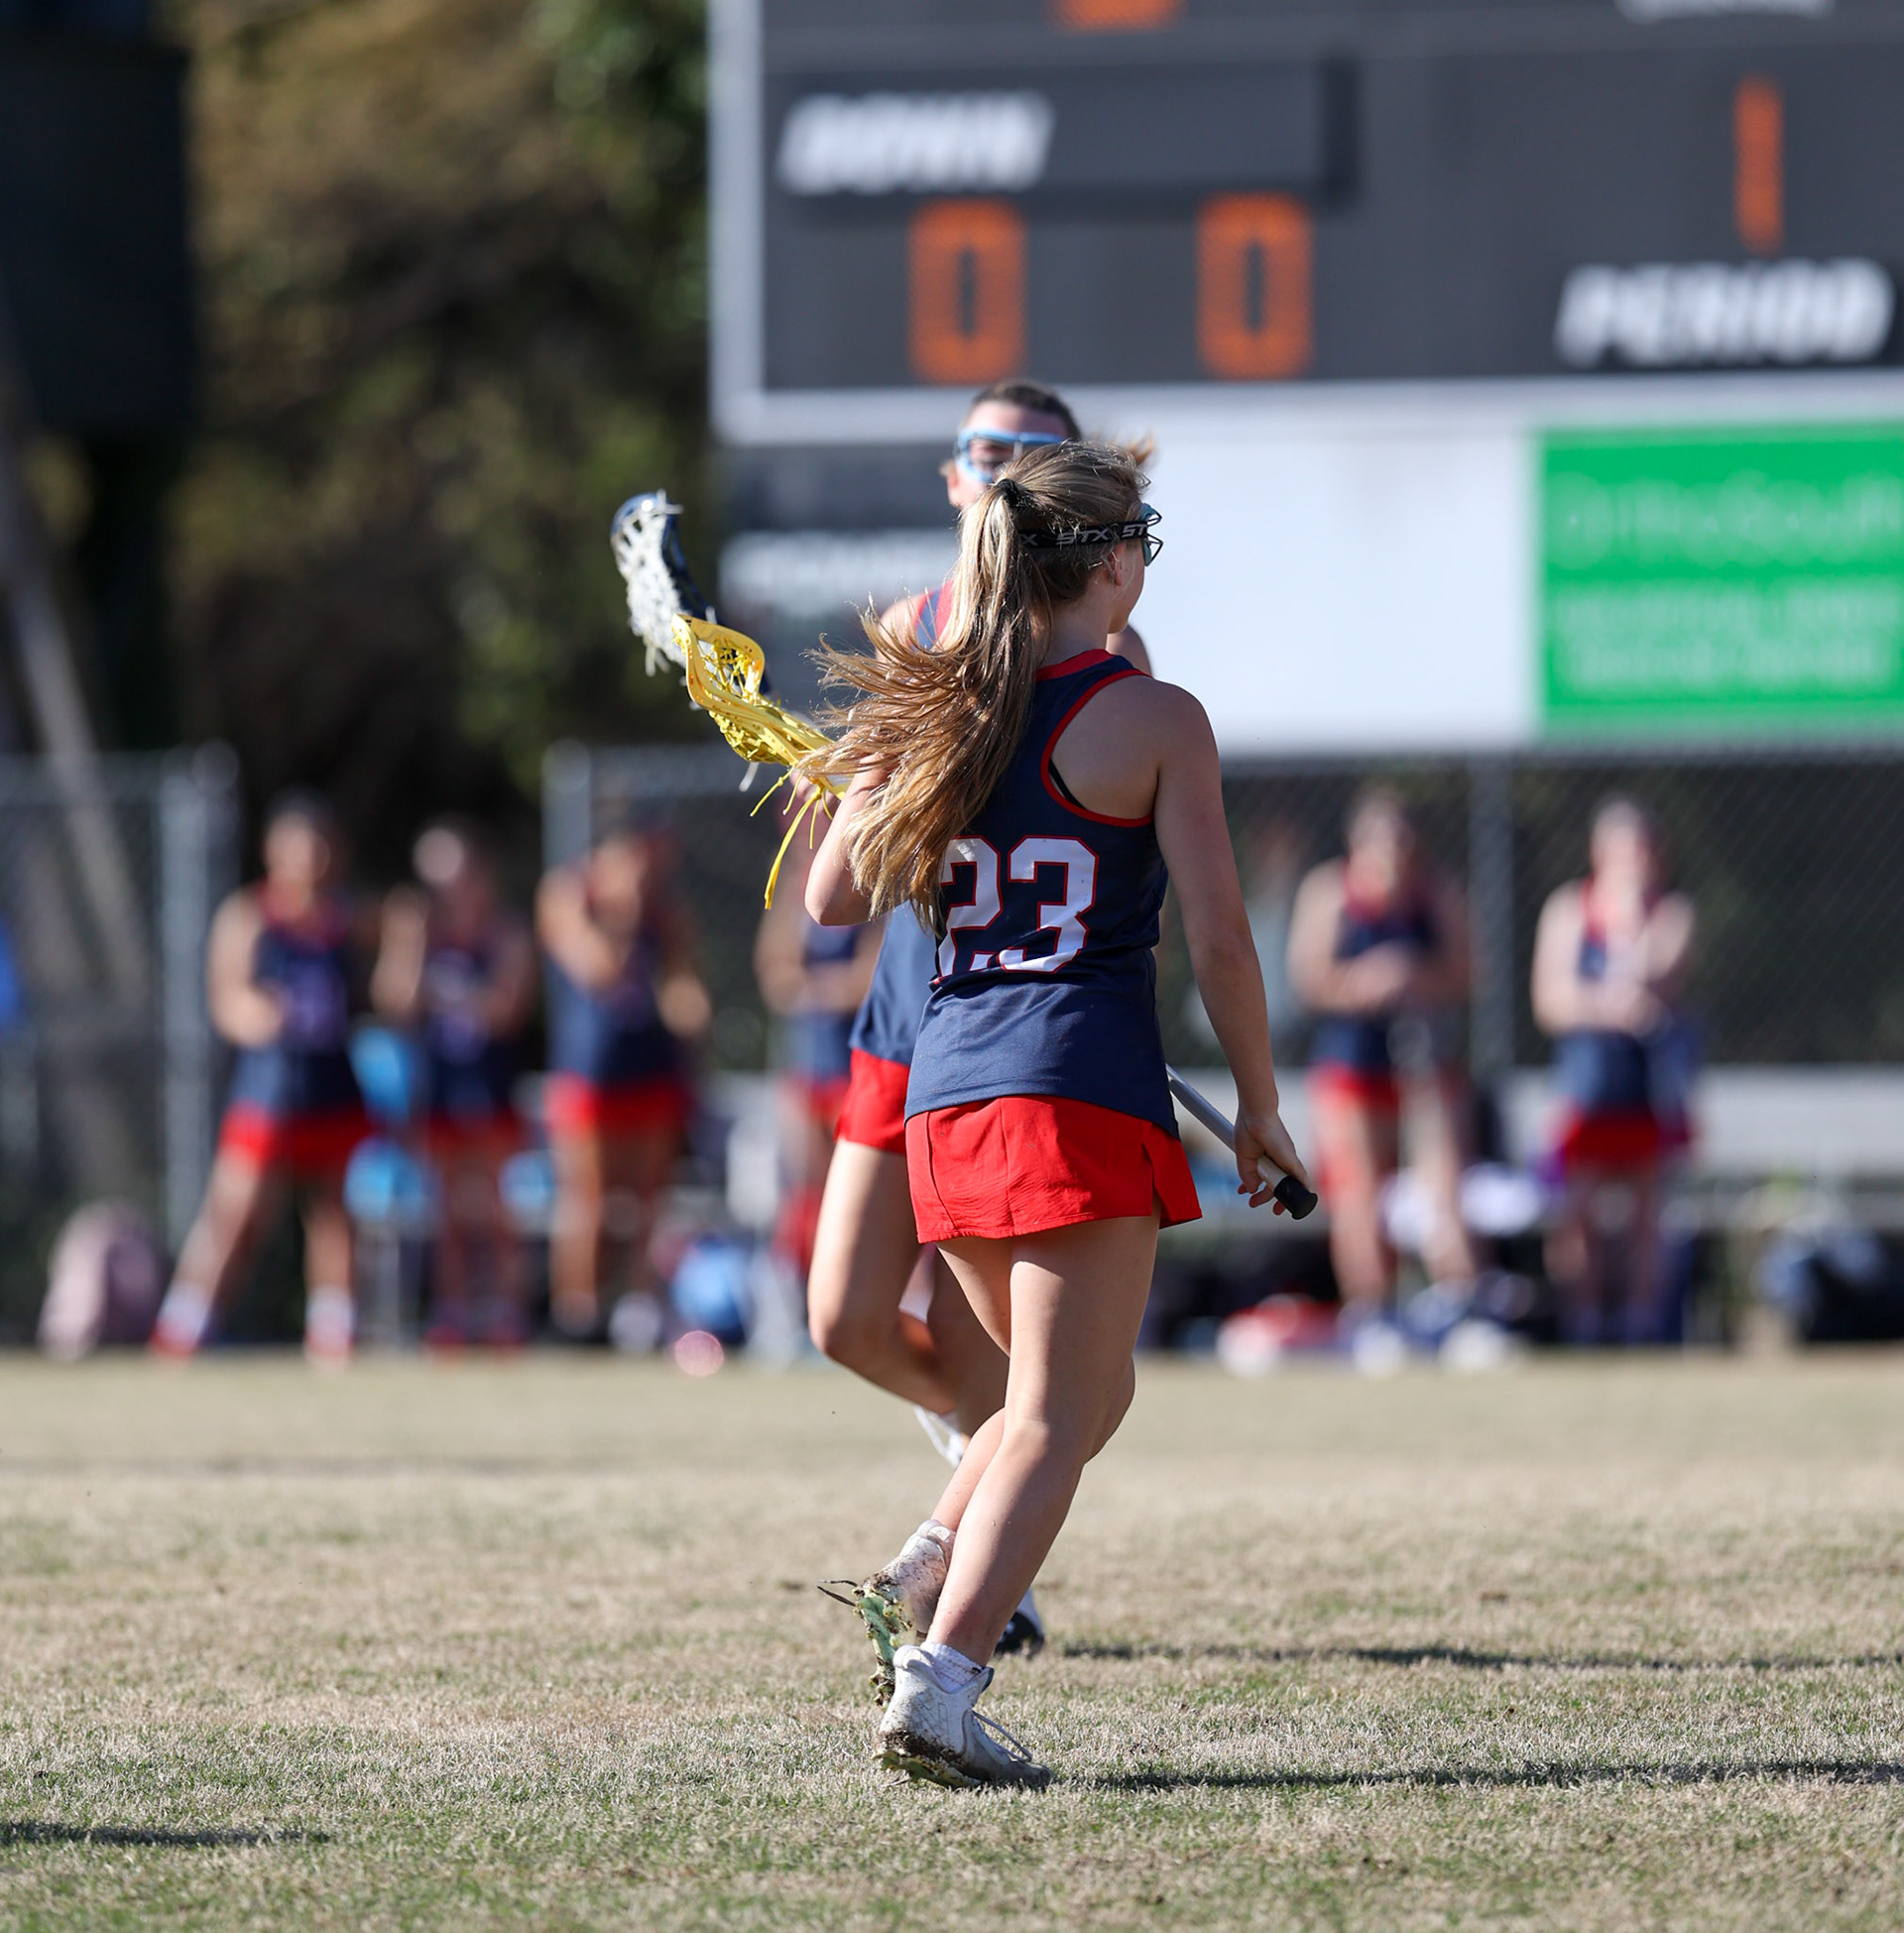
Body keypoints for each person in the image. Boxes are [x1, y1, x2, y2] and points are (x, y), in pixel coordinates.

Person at [804, 440, 1308, 1786]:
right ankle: (944, 1679)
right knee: (1048, 1409)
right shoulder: (1155, 718)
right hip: (1075, 1083)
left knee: (1082, 1396)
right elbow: (1220, 943)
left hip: (949, 1103)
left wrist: (869, 771)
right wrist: (1258, 1105)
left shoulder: (938, 717)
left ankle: (925, 1571)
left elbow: (829, 906)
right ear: (1116, 562)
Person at [806, 378, 1153, 1661]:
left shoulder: (1116, 659)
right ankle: (981, 1480)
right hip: (916, 1003)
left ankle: (964, 1558)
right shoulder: (913, 625)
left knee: (1026, 1360)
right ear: (955, 476)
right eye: (982, 448)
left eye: (1029, 452)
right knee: (841, 1314)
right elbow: (850, 874)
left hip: (1026, 1021)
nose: (999, 466)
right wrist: (856, 776)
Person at [152, 792, 370, 1363]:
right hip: (270, 1084)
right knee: (237, 1213)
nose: (312, 857)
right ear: (275, 851)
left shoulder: (346, 919)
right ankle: (184, 1327)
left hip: (330, 1082)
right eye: (300, 845)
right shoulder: (251, 915)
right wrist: (258, 1014)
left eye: (321, 845)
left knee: (334, 1214)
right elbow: (227, 997)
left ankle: (333, 1332)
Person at [1286, 789, 1476, 1328]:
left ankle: (1457, 1300)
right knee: (1358, 1187)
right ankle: (1370, 1310)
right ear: (1357, 842)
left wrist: (1411, 973)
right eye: (1380, 839)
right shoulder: (1330, 892)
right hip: (1351, 1059)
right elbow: (1309, 979)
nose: (1392, 850)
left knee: (1443, 1179)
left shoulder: (1434, 892)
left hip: (1422, 1056)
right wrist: (1366, 980)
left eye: (1401, 839)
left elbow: (1465, 973)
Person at [536, 819, 711, 1341]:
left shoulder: (665, 913)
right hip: (588, 1073)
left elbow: (682, 989)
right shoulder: (571, 897)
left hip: (650, 1070)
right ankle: (578, 1312)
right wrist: (620, 916)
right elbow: (597, 968)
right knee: (588, 1198)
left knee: (646, 1198)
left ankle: (638, 1309)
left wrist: (692, 1010)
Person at [1531, 797, 1696, 1345]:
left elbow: (1659, 975)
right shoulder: (1568, 909)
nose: (1635, 860)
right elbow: (1552, 999)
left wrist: (1628, 926)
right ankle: (1584, 1318)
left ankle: (1640, 1322)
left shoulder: (1670, 914)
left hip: (1648, 1085)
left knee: (1650, 1208)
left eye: (1645, 850)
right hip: (1587, 1081)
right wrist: (1611, 1005)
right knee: (1576, 1204)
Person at [372, 820, 537, 1348]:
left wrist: (463, 1000)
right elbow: (395, 1002)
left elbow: (507, 1007)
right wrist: (412, 945)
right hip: (439, 1082)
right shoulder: (421, 934)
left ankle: (507, 1312)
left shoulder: (504, 932)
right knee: (444, 1208)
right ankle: (453, 1311)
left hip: (489, 1081)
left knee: (494, 1204)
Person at [753, 821, 880, 1278]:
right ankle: (803, 1292)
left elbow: (868, 979)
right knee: (805, 1187)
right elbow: (776, 970)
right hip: (807, 1064)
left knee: (852, 1192)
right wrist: (822, 988)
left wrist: (814, 990)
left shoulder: (869, 879)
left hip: (854, 1066)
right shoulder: (794, 886)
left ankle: (852, 1285)